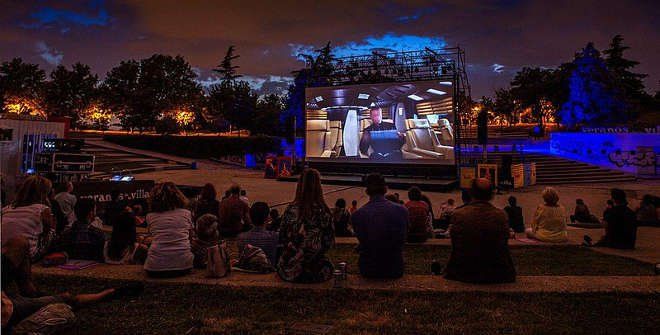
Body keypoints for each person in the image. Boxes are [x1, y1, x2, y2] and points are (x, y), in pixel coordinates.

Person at [444, 178, 516, 284]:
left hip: (464, 272)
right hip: (496, 273)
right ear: (492, 195)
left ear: (471, 193)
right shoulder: (501, 216)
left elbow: (455, 244)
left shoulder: (458, 215)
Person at [278, 169, 335, 283]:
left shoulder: (290, 210)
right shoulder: (323, 213)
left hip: (288, 270)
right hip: (315, 270)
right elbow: (328, 243)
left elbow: (282, 237)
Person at [352, 173, 408, 278]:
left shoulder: (357, 215)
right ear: (385, 189)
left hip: (369, 269)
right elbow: (402, 239)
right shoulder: (402, 210)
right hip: (394, 268)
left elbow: (364, 242)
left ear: (367, 191)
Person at [144, 182, 194, 278]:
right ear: (178, 197)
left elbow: (153, 237)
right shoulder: (186, 213)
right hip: (184, 266)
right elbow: (190, 239)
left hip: (154, 268)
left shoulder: (150, 216)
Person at [1, 176, 57, 261]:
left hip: (4, 253)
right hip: (28, 255)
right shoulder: (43, 209)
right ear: (44, 193)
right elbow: (47, 235)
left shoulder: (6, 209)